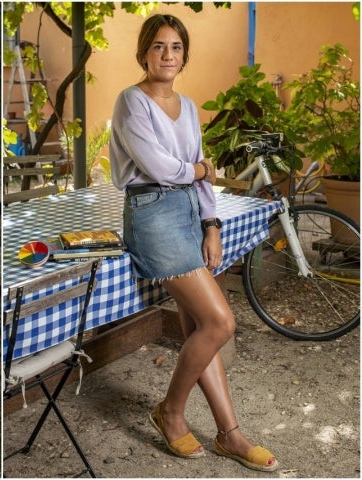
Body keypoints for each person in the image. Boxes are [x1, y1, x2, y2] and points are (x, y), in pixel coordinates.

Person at [109, 14, 278, 472]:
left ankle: (230, 434)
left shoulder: (187, 107)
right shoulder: (131, 101)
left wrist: (212, 225)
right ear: (144, 52)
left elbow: (199, 175)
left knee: (198, 327)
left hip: (187, 213)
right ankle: (171, 412)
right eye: (159, 46)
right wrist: (203, 171)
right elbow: (164, 169)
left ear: (184, 56)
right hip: (152, 215)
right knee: (220, 323)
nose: (168, 54)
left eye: (176, 47)